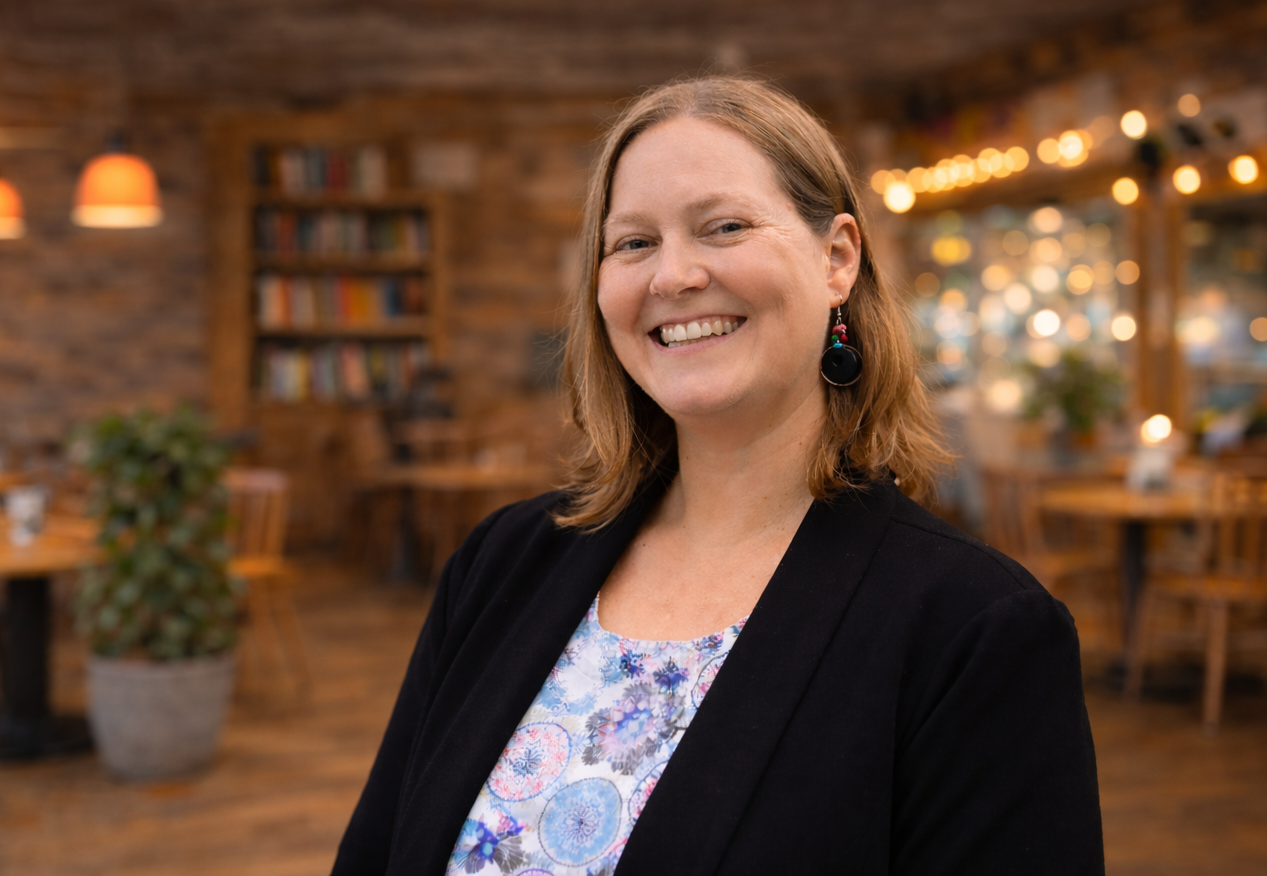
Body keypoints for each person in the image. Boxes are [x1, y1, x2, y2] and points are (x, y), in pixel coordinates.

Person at [332, 77, 1104, 875]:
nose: (673, 276)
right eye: (633, 243)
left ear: (837, 258)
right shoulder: (503, 562)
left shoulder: (975, 631)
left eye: (723, 226)